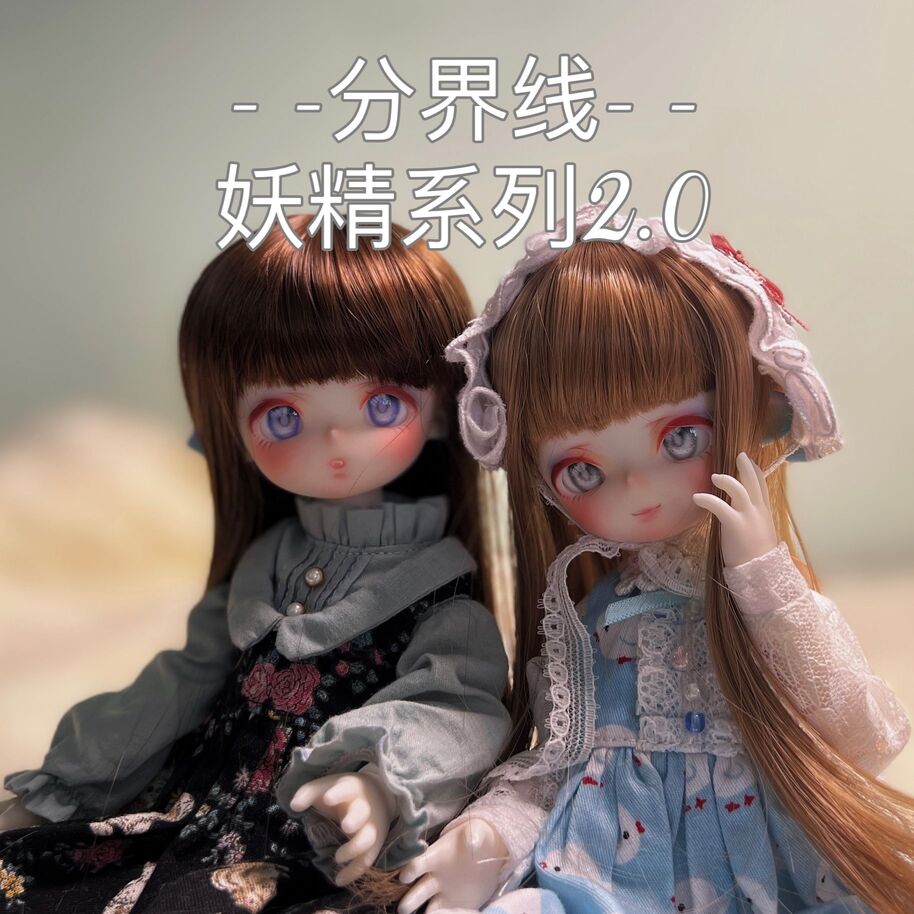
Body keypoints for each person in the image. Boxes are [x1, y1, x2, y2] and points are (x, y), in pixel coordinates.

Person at [397, 207, 914, 914]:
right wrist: (485, 839)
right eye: (583, 469)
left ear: (750, 409)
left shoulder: (763, 603)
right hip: (613, 877)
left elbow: (865, 737)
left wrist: (764, 579)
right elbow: (556, 765)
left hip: (769, 869)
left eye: (680, 438)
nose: (638, 487)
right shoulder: (592, 617)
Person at [0, 216, 510, 914]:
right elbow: (180, 683)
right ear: (230, 431)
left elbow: (458, 709)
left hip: (302, 846)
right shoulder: (263, 566)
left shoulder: (437, 592)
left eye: (381, 404)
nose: (335, 439)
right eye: (282, 417)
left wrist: (378, 785)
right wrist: (71, 781)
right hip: (196, 814)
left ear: (444, 412)